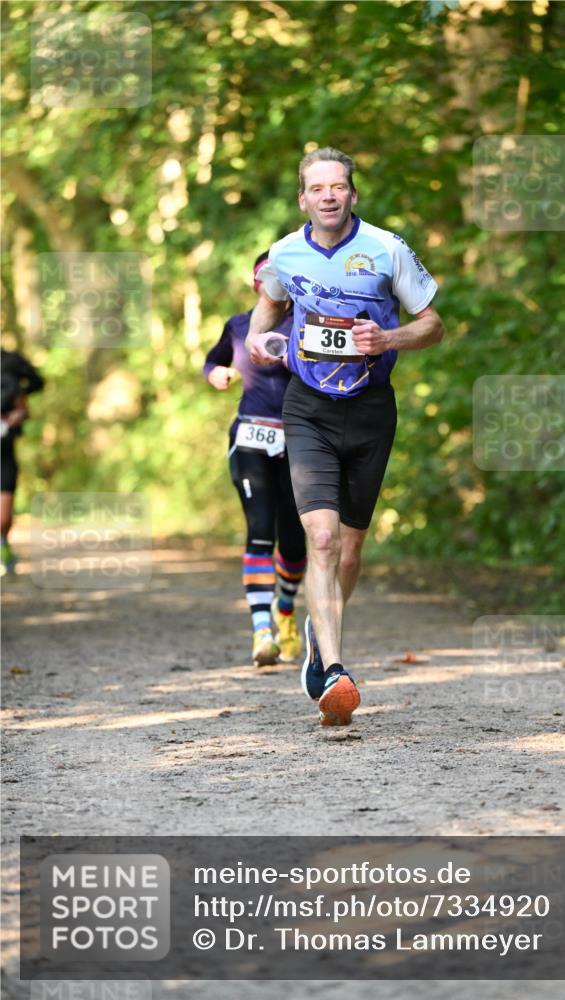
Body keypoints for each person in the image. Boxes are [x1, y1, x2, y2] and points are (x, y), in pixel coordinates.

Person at [246, 147, 443, 726]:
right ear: (303, 199)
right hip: (308, 407)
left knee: (351, 550)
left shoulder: (386, 248)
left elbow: (433, 325)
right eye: (318, 188)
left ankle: (318, 629)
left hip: (371, 409)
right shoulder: (284, 253)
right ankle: (334, 669)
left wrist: (388, 339)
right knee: (324, 539)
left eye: (338, 186)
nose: (328, 195)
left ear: (352, 195)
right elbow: (267, 308)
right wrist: (257, 339)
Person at [204, 253, 306, 666]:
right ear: (255, 284)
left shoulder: (306, 323)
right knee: (260, 529)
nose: (274, 282)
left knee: (295, 543)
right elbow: (213, 360)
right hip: (249, 437)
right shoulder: (238, 326)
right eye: (267, 276)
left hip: (299, 441)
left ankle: (285, 609)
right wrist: (215, 374)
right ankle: (262, 631)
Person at [1, 348, 45, 573]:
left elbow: (36, 385)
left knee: (4, 515)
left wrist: (15, 415)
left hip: (4, 450)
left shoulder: (11, 364)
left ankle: (3, 542)